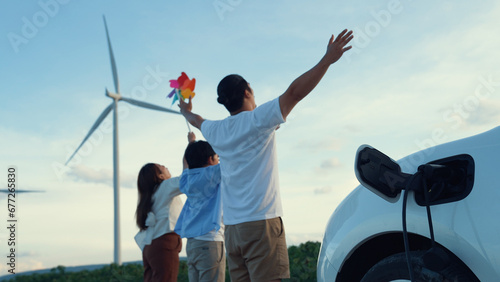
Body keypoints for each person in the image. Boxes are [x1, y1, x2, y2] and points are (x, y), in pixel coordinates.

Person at [178, 29, 353, 281]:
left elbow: (196, 120)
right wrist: (327, 60)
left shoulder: (216, 130)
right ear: (247, 92)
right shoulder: (258, 120)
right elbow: (294, 93)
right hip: (261, 225)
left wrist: (185, 110)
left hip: (233, 232)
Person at [134, 132, 195, 282]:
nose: (167, 167)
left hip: (150, 246)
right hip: (164, 243)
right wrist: (191, 144)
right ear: (160, 176)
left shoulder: (149, 197)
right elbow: (185, 177)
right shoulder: (165, 186)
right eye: (163, 167)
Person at [174, 133, 225, 282]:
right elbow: (234, 156)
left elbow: (185, 162)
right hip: (210, 241)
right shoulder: (212, 173)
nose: (218, 161)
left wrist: (191, 144)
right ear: (210, 160)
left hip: (192, 245)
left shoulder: (187, 179)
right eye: (217, 158)